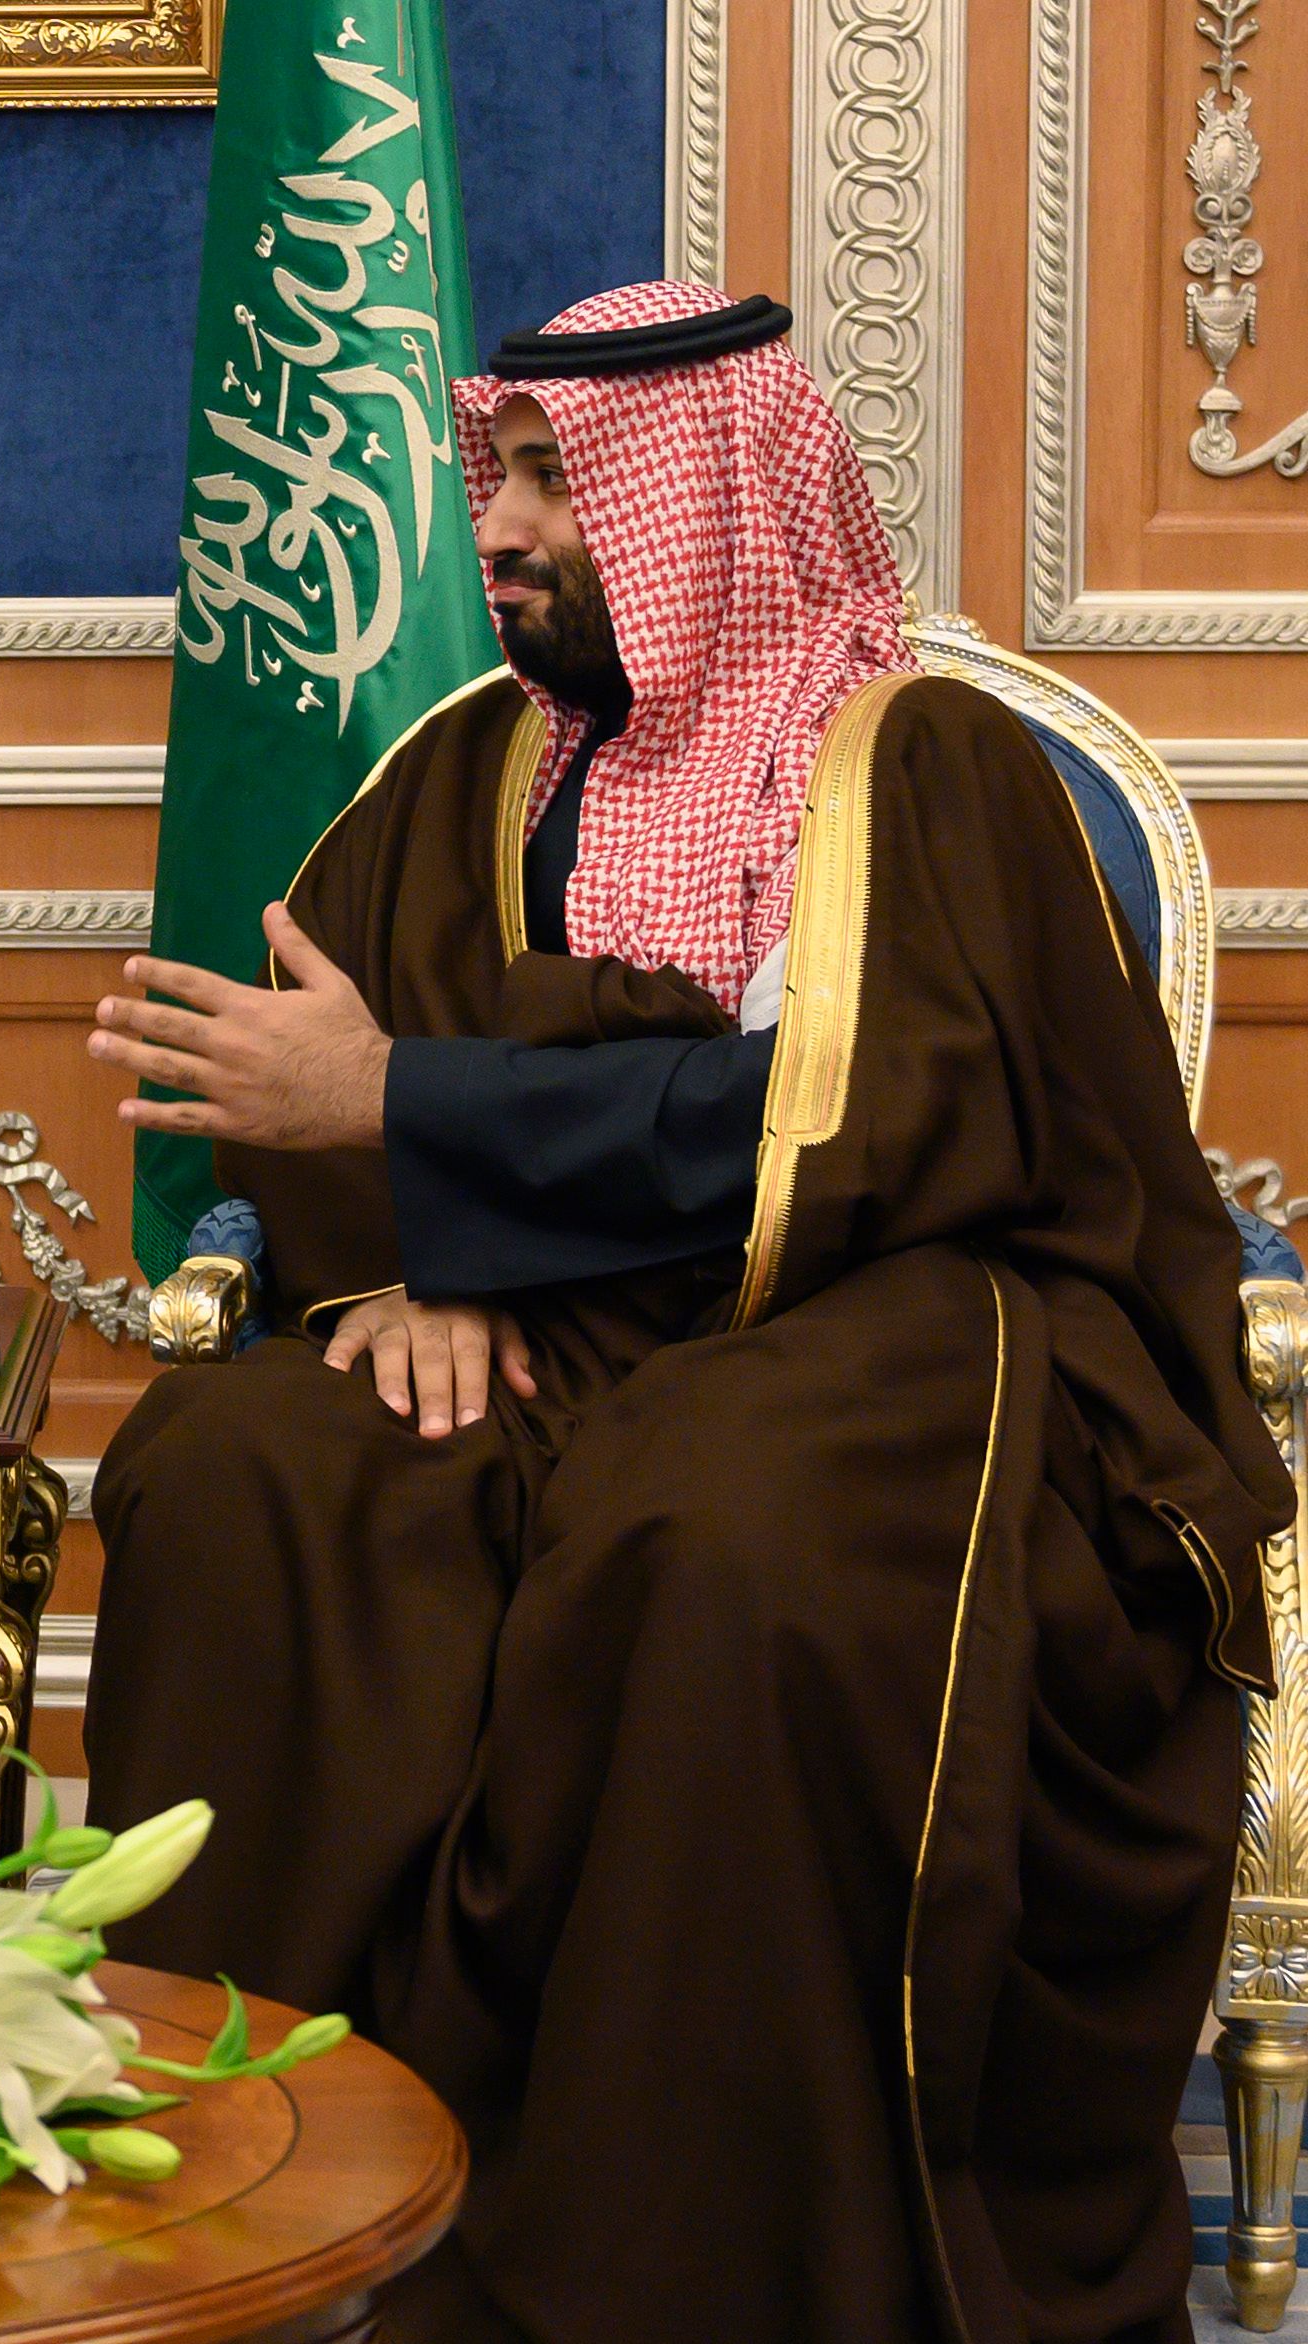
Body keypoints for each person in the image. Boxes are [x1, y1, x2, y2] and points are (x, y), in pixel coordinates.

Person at [78, 280, 1289, 2343]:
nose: (505, 527)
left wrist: (415, 1112)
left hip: (910, 1324)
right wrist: (401, 1248)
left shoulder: (926, 768)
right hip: (549, 1334)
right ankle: (250, 2215)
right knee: (240, 1468)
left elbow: (864, 1114)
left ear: (708, 502)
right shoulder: (463, 771)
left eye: (557, 479)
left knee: (724, 1536)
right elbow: (309, 1078)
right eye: (501, 476)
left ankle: (687, 2268)